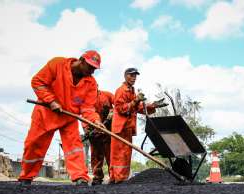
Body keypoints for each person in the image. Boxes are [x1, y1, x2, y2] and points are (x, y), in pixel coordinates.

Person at [18, 50, 105, 186]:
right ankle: (26, 177)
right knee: (34, 145)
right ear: (81, 60)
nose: (92, 71)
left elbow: (88, 108)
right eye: (90, 67)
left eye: (94, 69)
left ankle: (80, 177)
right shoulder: (57, 64)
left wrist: (96, 121)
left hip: (69, 118)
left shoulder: (91, 83)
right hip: (45, 113)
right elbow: (38, 82)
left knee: (75, 147)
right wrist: (51, 101)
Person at [109, 68, 167, 184]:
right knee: (118, 154)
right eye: (131, 75)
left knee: (126, 154)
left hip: (128, 128)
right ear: (125, 76)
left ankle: (122, 178)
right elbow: (121, 109)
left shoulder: (132, 91)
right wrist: (135, 101)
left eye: (135, 76)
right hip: (120, 128)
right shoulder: (121, 91)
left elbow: (138, 107)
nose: (134, 78)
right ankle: (116, 178)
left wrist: (153, 106)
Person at [82, 89, 114, 185]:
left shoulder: (107, 95)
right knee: (96, 156)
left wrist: (112, 112)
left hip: (108, 131)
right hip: (94, 133)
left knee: (110, 156)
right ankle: (97, 177)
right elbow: (84, 116)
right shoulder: (85, 100)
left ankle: (113, 177)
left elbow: (118, 102)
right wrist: (86, 129)